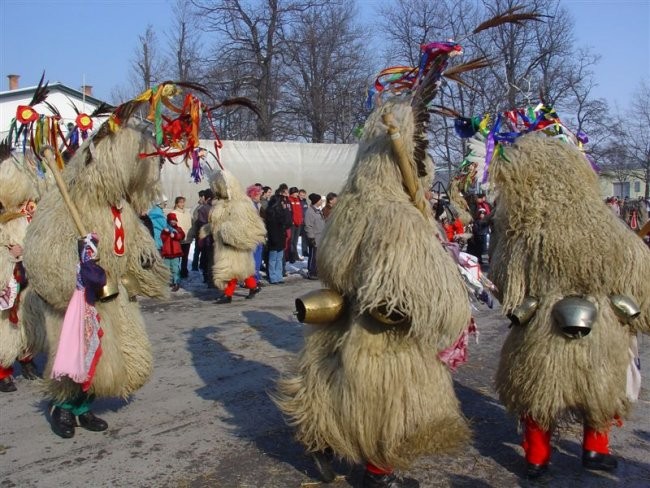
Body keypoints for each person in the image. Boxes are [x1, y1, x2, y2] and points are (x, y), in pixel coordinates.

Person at [488, 131, 650, 479]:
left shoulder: (524, 235)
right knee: (600, 387)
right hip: (602, 327)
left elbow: (506, 284)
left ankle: (537, 457)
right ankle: (596, 449)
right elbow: (639, 275)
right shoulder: (608, 224)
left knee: (538, 393)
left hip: (542, 326)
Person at [209, 171, 266, 303]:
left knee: (231, 270)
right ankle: (253, 287)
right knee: (241, 270)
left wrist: (227, 231)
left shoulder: (240, 203)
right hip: (224, 243)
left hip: (234, 244)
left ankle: (228, 295)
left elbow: (244, 224)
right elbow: (217, 222)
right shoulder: (221, 203)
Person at [264, 193, 292, 284]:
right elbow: (271, 228)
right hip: (273, 239)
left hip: (281, 238)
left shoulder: (281, 212)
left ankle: (279, 276)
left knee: (279, 258)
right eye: (282, 202)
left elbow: (288, 223)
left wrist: (285, 210)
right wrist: (273, 238)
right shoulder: (270, 213)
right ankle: (273, 277)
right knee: (273, 259)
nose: (283, 204)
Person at [168, 196, 192, 278]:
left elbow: (191, 225)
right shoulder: (173, 213)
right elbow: (170, 226)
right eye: (180, 202)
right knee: (177, 257)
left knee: (185, 257)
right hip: (178, 239)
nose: (182, 204)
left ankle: (184, 271)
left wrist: (192, 234)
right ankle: (176, 272)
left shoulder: (187, 213)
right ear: (177, 203)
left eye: (183, 202)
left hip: (187, 239)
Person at [160, 213, 185, 292]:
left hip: (175, 253)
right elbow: (162, 238)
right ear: (168, 221)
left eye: (174, 220)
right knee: (167, 268)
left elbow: (182, 235)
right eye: (171, 220)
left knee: (175, 268)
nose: (173, 222)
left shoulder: (178, 229)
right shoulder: (165, 229)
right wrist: (166, 233)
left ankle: (176, 282)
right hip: (167, 253)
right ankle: (170, 281)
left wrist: (174, 235)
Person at [303, 193, 325, 279]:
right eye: (320, 200)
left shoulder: (318, 211)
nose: (321, 201)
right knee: (313, 256)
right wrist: (311, 237)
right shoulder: (310, 212)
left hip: (320, 237)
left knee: (318, 256)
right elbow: (308, 226)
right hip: (314, 237)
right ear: (316, 201)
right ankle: (311, 272)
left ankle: (317, 271)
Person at [247, 184, 265, 284]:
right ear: (253, 195)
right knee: (253, 260)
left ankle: (255, 277)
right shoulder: (250, 206)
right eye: (258, 195)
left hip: (258, 236)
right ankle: (252, 279)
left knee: (257, 259)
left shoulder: (256, 205)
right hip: (253, 236)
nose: (260, 197)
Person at [190, 190, 206, 271]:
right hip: (198, 231)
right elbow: (194, 219)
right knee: (198, 250)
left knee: (201, 250)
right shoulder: (198, 207)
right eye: (203, 196)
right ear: (201, 197)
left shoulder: (200, 206)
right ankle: (195, 266)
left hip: (201, 231)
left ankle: (198, 265)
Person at [287, 187, 304, 263]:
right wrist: (292, 221)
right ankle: (291, 256)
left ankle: (295, 255)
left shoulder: (298, 200)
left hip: (298, 223)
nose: (297, 194)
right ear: (292, 193)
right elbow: (290, 212)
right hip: (292, 224)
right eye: (296, 192)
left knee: (295, 241)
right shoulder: (289, 200)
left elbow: (299, 212)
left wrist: (300, 220)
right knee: (291, 241)